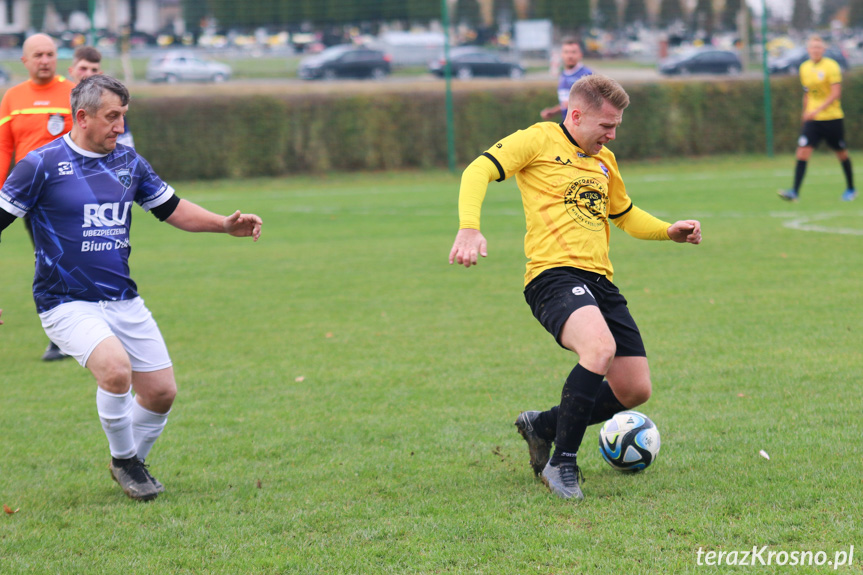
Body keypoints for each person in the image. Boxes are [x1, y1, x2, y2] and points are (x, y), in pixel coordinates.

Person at [0, 75, 263, 501]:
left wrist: (223, 224)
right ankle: (125, 462)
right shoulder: (41, 165)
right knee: (116, 370)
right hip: (65, 302)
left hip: (123, 298)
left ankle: (129, 462)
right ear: (81, 117)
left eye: (123, 116)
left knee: (161, 393)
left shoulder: (128, 163)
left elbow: (171, 208)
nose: (120, 126)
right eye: (112, 117)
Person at [449, 75, 702, 501]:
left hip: (600, 281)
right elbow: (478, 170)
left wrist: (667, 231)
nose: (612, 134)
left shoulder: (606, 161)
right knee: (598, 350)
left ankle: (543, 426)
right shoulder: (538, 140)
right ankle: (561, 463)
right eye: (606, 126)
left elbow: (623, 214)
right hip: (553, 276)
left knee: (634, 389)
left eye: (617, 125)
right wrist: (469, 228)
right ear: (577, 114)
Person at [0, 33, 75, 361]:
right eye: (38, 55)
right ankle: (62, 335)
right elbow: (4, 147)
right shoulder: (13, 97)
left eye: (50, 54)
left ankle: (72, 333)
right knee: (50, 259)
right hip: (32, 198)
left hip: (74, 194)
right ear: (25, 61)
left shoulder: (73, 93)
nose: (44, 60)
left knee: (75, 258)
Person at [778, 35, 856, 202]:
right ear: (808, 50)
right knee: (802, 152)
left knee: (841, 153)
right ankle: (794, 192)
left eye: (818, 47)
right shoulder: (804, 68)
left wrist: (817, 110)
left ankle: (850, 189)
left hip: (832, 118)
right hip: (813, 120)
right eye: (812, 47)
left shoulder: (831, 66)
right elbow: (807, 93)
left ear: (823, 50)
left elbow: (836, 94)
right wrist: (805, 112)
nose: (815, 50)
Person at [68, 45, 135, 148]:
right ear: (71, 71)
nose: (88, 74)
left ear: (100, 74)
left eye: (94, 70)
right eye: (83, 68)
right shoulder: (57, 102)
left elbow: (126, 147)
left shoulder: (111, 106)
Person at [540, 38, 592, 122]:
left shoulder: (587, 75)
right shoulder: (563, 74)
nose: (570, 55)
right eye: (566, 52)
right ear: (561, 55)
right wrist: (553, 112)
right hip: (567, 125)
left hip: (581, 126)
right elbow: (566, 103)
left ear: (580, 54)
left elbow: (586, 102)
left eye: (573, 52)